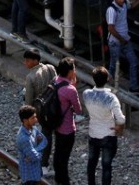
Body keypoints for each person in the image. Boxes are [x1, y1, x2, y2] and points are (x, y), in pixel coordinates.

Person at [83, 66, 125, 185]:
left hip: (93, 133)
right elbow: (121, 119)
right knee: (106, 166)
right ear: (107, 79)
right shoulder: (111, 98)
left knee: (91, 163)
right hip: (108, 134)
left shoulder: (86, 94)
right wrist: (118, 126)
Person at [105, 0, 139, 95]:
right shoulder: (111, 10)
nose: (122, 0)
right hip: (115, 42)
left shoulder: (124, 4)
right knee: (113, 65)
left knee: (134, 61)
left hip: (125, 40)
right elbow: (111, 28)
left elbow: (132, 6)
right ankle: (105, 84)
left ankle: (133, 87)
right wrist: (121, 39)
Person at [23, 48, 57, 169]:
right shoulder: (50, 68)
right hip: (55, 107)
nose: (25, 63)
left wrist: (27, 116)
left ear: (35, 60)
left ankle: (43, 163)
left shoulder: (30, 77)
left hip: (42, 111)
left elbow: (28, 100)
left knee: (46, 134)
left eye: (27, 61)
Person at [51, 57, 82, 185]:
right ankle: (64, 181)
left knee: (58, 153)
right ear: (70, 71)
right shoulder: (70, 90)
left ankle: (58, 178)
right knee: (64, 157)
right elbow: (78, 110)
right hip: (67, 128)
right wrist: (73, 86)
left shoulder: (54, 81)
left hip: (56, 124)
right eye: (74, 69)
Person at [16, 105, 47, 185]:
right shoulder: (24, 139)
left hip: (36, 171)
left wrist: (36, 150)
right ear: (25, 120)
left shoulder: (33, 128)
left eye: (35, 117)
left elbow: (44, 140)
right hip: (29, 176)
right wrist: (39, 151)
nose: (36, 120)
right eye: (33, 118)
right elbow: (36, 157)